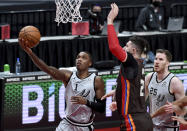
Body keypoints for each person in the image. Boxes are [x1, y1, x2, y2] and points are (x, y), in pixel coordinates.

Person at [18, 39, 106, 131]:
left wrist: (86, 102)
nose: (79, 59)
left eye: (84, 58)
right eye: (78, 57)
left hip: (84, 127)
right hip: (67, 124)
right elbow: (47, 69)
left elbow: (102, 108)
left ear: (90, 63)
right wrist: (30, 53)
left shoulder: (96, 80)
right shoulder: (68, 76)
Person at [101, 3, 153, 131]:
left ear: (133, 50)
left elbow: (114, 47)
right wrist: (117, 93)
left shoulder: (131, 62)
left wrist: (110, 21)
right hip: (143, 119)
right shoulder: (139, 64)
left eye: (126, 46)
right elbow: (134, 87)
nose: (124, 48)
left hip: (133, 121)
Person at [145, 49, 185, 131]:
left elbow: (184, 109)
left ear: (167, 63)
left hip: (169, 127)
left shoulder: (175, 82)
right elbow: (141, 100)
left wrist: (177, 110)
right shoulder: (149, 77)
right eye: (156, 59)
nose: (156, 62)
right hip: (152, 125)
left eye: (161, 59)